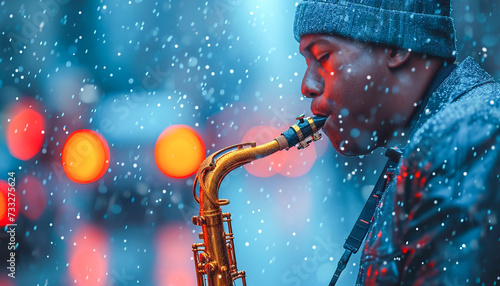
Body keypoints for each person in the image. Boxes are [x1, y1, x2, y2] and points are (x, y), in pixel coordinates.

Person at [293, 0, 500, 285]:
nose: (307, 86)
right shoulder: (450, 133)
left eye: (324, 57)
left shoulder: (466, 135)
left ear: (398, 47)